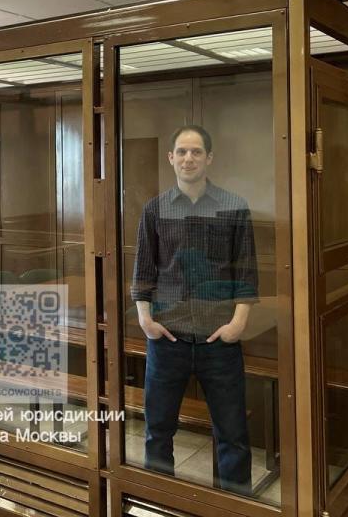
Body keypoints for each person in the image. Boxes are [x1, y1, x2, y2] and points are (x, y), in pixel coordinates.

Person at [131, 124, 258, 496]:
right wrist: (145, 319)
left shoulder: (233, 206)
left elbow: (246, 270)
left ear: (209, 158)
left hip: (219, 341)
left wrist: (237, 325)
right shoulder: (154, 209)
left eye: (196, 152)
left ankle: (234, 507)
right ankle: (159, 502)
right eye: (182, 152)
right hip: (167, 340)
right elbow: (144, 269)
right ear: (171, 158)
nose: (189, 158)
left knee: (232, 436)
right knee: (157, 432)